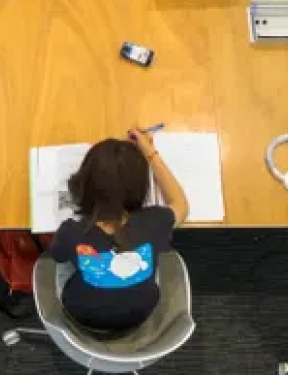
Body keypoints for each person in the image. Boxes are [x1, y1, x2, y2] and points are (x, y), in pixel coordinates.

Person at [50, 128, 191, 334]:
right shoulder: (154, 222)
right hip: (141, 313)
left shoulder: (71, 232)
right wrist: (150, 153)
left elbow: (58, 256)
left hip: (81, 314)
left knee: (69, 263)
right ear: (140, 188)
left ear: (85, 184)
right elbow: (181, 204)